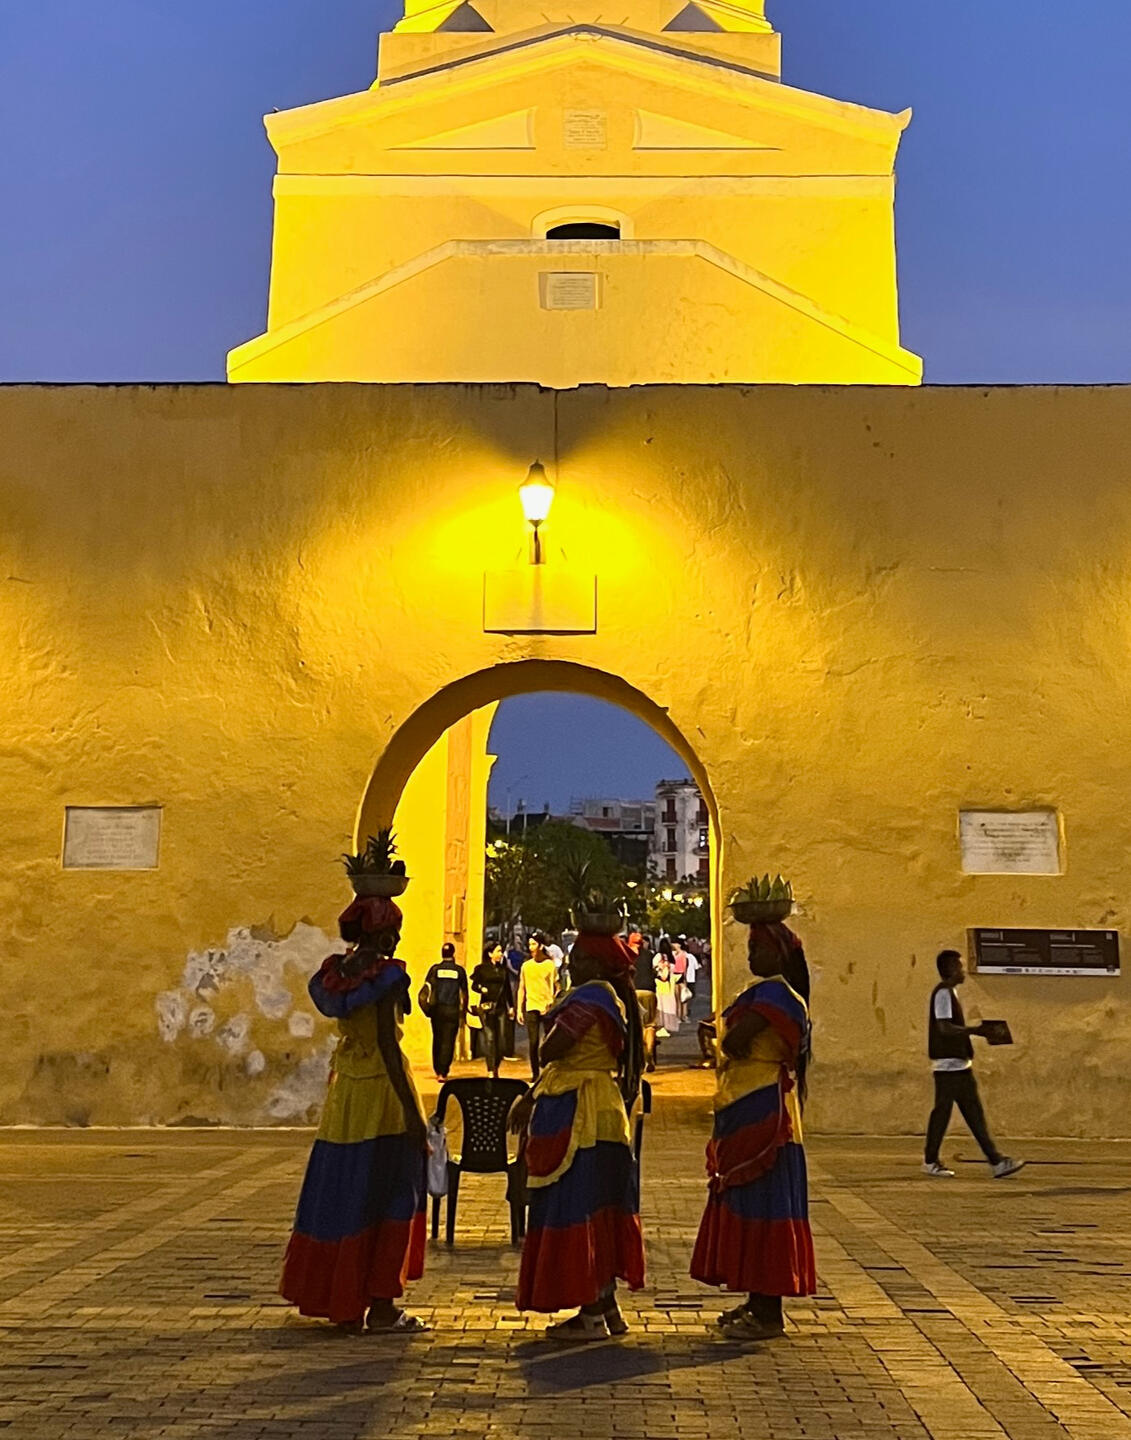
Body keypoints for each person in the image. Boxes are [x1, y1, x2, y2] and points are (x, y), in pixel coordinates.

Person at [280, 895, 428, 1332]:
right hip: (382, 1090)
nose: (397, 939)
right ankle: (381, 1304)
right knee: (389, 1190)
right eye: (394, 932)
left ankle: (343, 1301)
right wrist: (413, 1114)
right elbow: (386, 1041)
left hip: (346, 1091)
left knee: (345, 1188)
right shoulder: (386, 977)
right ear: (381, 934)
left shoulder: (337, 974)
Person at [511, 928, 646, 1339]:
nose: (572, 961)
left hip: (580, 1113)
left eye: (580, 957)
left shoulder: (590, 997)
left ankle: (589, 1311)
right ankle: (606, 1305)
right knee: (601, 1210)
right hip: (601, 1109)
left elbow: (553, 1049)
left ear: (596, 964)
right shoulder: (612, 997)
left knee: (577, 1209)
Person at [690, 922, 816, 1342]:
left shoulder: (776, 995)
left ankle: (767, 1309)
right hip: (748, 1100)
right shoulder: (770, 995)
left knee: (765, 1203)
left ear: (779, 955)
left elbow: (732, 1042)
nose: (750, 956)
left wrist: (723, 1035)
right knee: (753, 1201)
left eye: (757, 948)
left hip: (764, 1109)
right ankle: (756, 1298)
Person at [924, 950, 1025, 1180]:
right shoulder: (943, 994)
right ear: (950, 969)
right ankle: (934, 1160)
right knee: (949, 1114)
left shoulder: (950, 993)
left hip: (957, 1066)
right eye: (959, 967)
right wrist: (976, 1030)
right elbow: (944, 1028)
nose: (963, 971)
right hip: (950, 1067)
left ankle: (995, 1160)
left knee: (967, 1114)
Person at [419, 941, 468, 1082]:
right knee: (448, 1041)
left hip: (437, 1010)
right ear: (453, 954)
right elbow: (464, 993)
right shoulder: (459, 971)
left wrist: (428, 1009)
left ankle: (437, 1069)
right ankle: (444, 1071)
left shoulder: (435, 970)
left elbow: (427, 988)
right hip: (452, 1010)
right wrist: (463, 1013)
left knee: (438, 1039)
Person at [517, 931, 560, 1080]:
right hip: (531, 1006)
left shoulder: (549, 965)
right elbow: (521, 988)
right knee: (533, 1042)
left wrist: (552, 1002)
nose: (531, 947)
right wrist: (518, 1010)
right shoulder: (526, 966)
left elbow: (557, 986)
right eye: (529, 944)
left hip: (547, 1007)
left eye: (534, 944)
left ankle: (548, 1070)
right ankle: (535, 1073)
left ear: (540, 946)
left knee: (548, 1041)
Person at [471, 942, 512, 1078]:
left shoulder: (503, 970)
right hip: (487, 1008)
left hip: (500, 1008)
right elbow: (474, 985)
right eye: (498, 951)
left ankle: (496, 1066)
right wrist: (481, 988)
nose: (500, 954)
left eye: (501, 951)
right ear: (490, 954)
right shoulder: (481, 969)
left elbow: (507, 990)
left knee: (501, 1039)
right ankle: (490, 1069)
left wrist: (511, 1006)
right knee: (490, 1038)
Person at [654, 939, 681, 1036]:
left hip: (659, 983)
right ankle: (668, 1026)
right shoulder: (671, 957)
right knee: (669, 1005)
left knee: (660, 1005)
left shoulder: (658, 956)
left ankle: (661, 1026)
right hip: (669, 984)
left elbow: (653, 967)